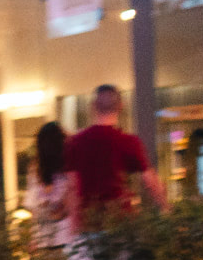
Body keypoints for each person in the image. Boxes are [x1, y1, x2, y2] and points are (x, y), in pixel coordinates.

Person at [64, 84, 168, 235]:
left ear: (93, 106)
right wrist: (166, 208)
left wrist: (73, 228)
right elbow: (151, 181)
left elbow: (72, 188)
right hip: (120, 222)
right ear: (120, 106)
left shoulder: (76, 142)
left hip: (88, 222)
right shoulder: (128, 142)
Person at [23, 120, 73, 250]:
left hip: (45, 237)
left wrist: (34, 237)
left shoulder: (36, 169)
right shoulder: (68, 169)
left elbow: (34, 206)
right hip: (67, 235)